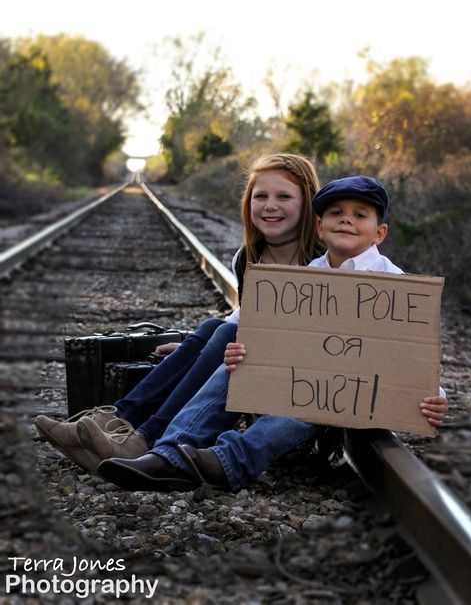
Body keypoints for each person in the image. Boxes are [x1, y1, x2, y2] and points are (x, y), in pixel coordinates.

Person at [97, 176, 449, 494]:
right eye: (336, 213)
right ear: (320, 228)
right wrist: (246, 352)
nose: (347, 219)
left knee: (311, 401)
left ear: (379, 233)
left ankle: (229, 462)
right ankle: (170, 455)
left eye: (360, 215)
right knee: (237, 362)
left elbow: (412, 350)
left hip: (351, 395)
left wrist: (433, 394)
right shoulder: (309, 276)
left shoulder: (394, 284)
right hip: (307, 382)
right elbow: (280, 335)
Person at [34, 153, 322, 473]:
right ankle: (112, 422)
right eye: (261, 196)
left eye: (284, 196)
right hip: (257, 359)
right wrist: (192, 346)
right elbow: (248, 316)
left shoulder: (324, 261)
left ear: (308, 202)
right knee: (216, 327)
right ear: (248, 202)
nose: (270, 205)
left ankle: (142, 438)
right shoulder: (248, 258)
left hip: (296, 377)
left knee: (224, 332)